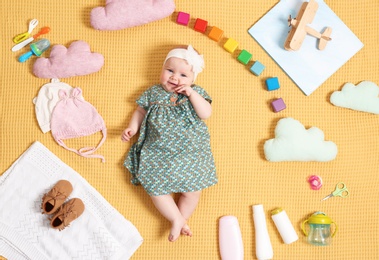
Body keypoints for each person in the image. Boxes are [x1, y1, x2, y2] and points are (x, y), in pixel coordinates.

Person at [121, 45, 217, 242]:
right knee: (155, 189)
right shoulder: (152, 92)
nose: (175, 77)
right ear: (162, 69)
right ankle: (177, 219)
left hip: (190, 151)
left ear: (192, 80)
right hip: (158, 151)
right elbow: (140, 111)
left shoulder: (195, 92)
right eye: (170, 71)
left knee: (193, 192)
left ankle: (181, 219)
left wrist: (191, 93)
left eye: (183, 75)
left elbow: (206, 113)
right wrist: (132, 127)